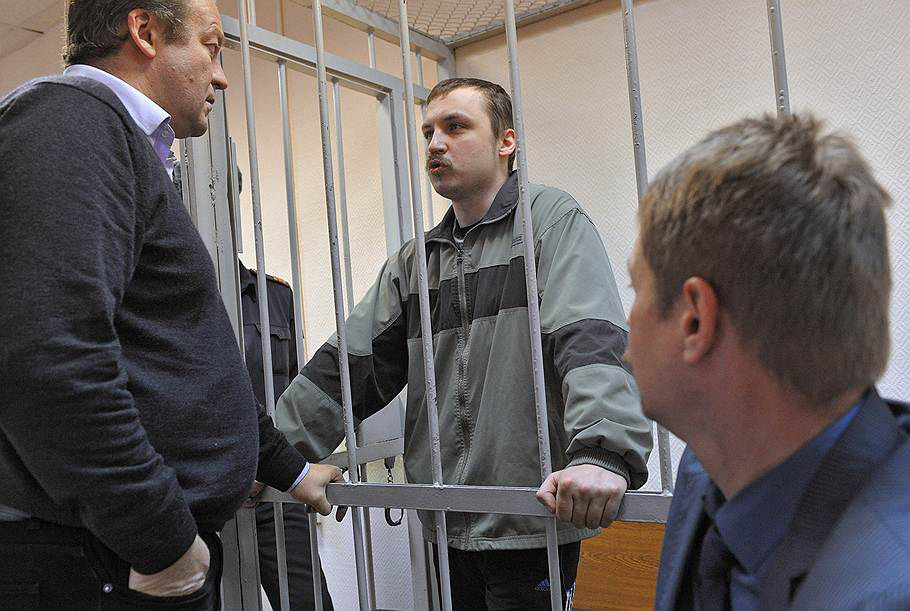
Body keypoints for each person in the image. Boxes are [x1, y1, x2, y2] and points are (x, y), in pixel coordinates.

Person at [0, 1, 340, 608]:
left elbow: (181, 363)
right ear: (145, 32)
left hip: (115, 550)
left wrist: (289, 470)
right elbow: (46, 356)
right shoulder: (70, 119)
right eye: (211, 46)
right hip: (102, 557)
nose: (222, 76)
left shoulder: (112, 138)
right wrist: (165, 546)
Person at [276, 77, 653, 609]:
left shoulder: (549, 221)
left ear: (506, 141)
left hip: (531, 516)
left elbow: (588, 337)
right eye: (429, 131)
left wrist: (602, 452)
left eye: (455, 127)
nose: (435, 143)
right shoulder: (418, 261)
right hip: (447, 515)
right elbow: (349, 365)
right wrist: (269, 455)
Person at [625, 113, 910, 610]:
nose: (626, 324)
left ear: (695, 320)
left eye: (636, 287)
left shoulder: (887, 589)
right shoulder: (711, 470)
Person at [239, 261, 336, 610]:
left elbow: (293, 395)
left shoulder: (275, 296)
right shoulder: (173, 291)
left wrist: (278, 465)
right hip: (199, 491)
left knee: (308, 602)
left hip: (275, 486)